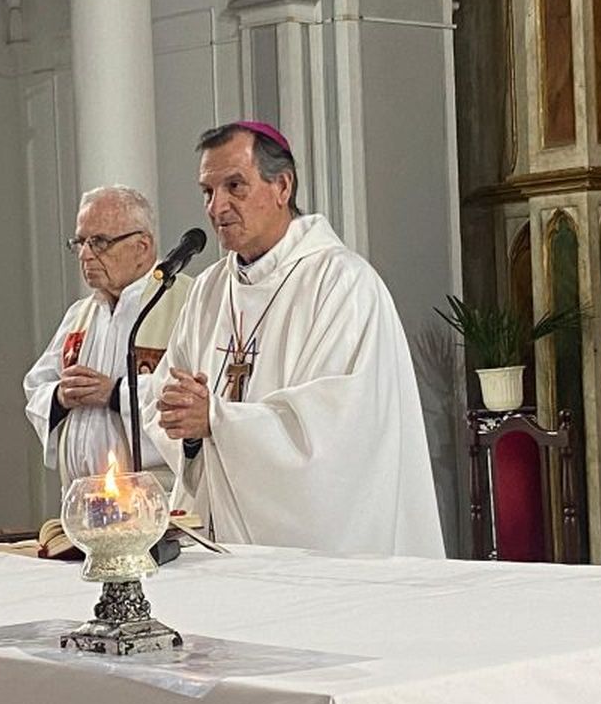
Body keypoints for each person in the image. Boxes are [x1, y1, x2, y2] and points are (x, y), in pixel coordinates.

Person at [142, 121, 444, 557]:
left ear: (282, 186)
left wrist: (218, 420)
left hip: (322, 558)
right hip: (219, 542)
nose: (216, 206)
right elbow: (168, 402)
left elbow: (341, 434)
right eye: (207, 191)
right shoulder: (209, 290)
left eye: (234, 186)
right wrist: (183, 422)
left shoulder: (343, 285)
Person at [24, 185, 192, 487]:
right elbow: (36, 387)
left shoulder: (188, 303)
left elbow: (192, 393)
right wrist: (60, 396)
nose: (85, 255)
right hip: (84, 501)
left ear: (142, 247)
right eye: (80, 242)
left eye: (99, 242)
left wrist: (116, 393)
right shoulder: (80, 315)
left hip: (158, 501)